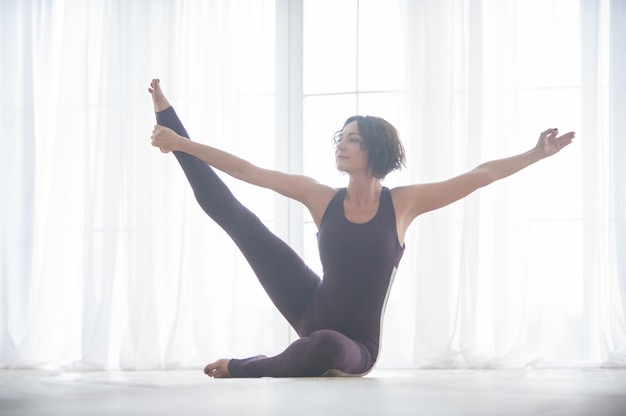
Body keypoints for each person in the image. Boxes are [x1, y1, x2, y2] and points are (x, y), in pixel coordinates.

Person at [148, 78, 575, 378]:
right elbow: (246, 169)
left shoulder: (403, 204)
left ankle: (251, 366)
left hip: (355, 346)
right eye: (341, 136)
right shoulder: (321, 197)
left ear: (376, 148)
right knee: (236, 217)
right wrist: (179, 140)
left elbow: (481, 174)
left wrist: (536, 153)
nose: (342, 143)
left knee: (327, 346)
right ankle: (171, 125)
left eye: (352, 138)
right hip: (310, 306)